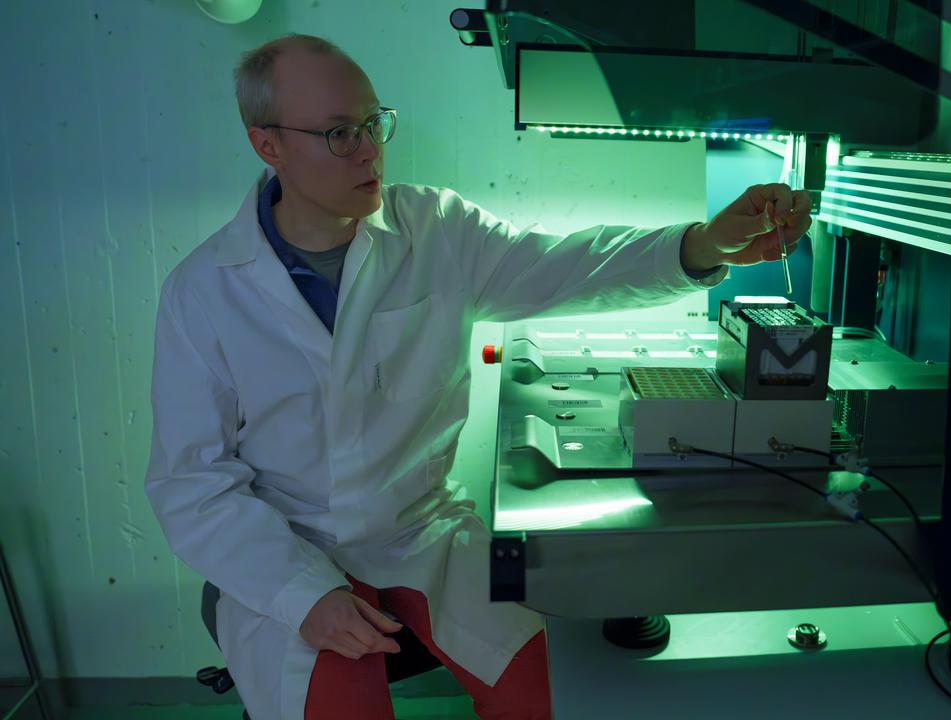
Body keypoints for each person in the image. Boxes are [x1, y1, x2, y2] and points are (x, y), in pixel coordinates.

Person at [144, 33, 811, 720]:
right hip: (287, 549)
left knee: (552, 694)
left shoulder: (434, 229)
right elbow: (191, 482)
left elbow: (566, 266)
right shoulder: (204, 291)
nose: (371, 148)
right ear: (269, 146)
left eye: (374, 123)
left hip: (421, 533)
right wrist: (302, 597)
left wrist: (703, 244)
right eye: (340, 133)